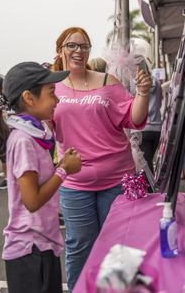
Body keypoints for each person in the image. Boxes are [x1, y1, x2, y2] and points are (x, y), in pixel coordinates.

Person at [51, 26, 152, 292]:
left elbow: (134, 118)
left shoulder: (108, 81)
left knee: (117, 246)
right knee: (80, 246)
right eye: (72, 45)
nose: (78, 51)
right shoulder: (51, 88)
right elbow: (43, 126)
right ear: (60, 50)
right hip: (75, 184)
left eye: (84, 46)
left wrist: (143, 92)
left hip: (117, 179)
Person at [0, 62, 82, 293]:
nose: (58, 100)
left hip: (42, 245)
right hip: (30, 250)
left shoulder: (35, 134)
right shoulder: (23, 140)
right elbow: (31, 201)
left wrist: (61, 165)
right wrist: (63, 171)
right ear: (30, 98)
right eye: (52, 93)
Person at [131, 56, 162, 187]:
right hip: (156, 129)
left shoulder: (134, 83)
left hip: (141, 129)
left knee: (145, 168)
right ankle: (151, 192)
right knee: (149, 165)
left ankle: (149, 197)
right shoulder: (156, 82)